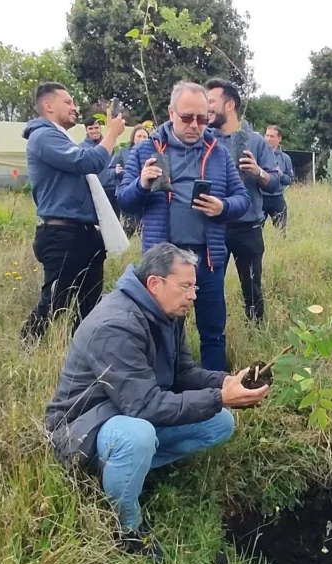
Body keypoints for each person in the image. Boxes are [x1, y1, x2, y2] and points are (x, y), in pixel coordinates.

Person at [45, 242, 270, 562]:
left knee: (220, 422)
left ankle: (127, 472)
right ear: (155, 283)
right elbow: (144, 406)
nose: (193, 295)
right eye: (186, 286)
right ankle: (126, 530)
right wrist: (220, 397)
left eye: (194, 286)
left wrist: (226, 382)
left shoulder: (165, 311)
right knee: (138, 436)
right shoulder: (117, 324)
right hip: (82, 429)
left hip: (125, 412)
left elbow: (183, 373)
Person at [118, 81, 251, 371]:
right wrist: (141, 184)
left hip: (208, 258)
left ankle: (217, 394)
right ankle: (163, 392)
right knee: (161, 332)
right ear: (171, 112)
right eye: (187, 117)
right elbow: (124, 200)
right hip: (163, 262)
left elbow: (242, 199)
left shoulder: (218, 151)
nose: (195, 125)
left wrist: (222, 207)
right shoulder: (145, 150)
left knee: (213, 330)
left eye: (202, 119)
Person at [20, 82, 126, 345]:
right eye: (67, 102)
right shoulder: (43, 136)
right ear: (48, 105)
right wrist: (111, 134)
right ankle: (27, 349)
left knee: (89, 304)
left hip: (85, 234)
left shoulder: (60, 137)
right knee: (55, 302)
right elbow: (87, 162)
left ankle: (82, 356)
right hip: (62, 234)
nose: (74, 107)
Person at [205, 77, 279, 324]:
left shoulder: (255, 141)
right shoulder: (205, 140)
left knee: (252, 289)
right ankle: (216, 333)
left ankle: (256, 332)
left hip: (248, 228)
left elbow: (276, 183)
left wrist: (258, 172)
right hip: (214, 226)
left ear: (230, 105)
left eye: (212, 101)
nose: (207, 107)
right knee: (210, 289)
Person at [80, 116, 123, 220]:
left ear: (100, 128)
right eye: (91, 128)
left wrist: (117, 172)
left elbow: (118, 165)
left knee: (113, 223)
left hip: (112, 190)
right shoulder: (81, 148)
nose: (94, 131)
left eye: (96, 128)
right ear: (86, 130)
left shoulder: (112, 145)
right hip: (93, 191)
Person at [113, 124, 150, 237]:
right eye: (139, 136)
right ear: (133, 137)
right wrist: (116, 172)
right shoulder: (122, 151)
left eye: (145, 137)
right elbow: (110, 170)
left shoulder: (151, 152)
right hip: (127, 194)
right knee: (127, 228)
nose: (142, 139)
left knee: (142, 228)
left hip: (144, 195)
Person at [264, 125, 295, 233]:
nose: (268, 139)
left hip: (277, 198)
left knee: (281, 231)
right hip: (260, 197)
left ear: (279, 138)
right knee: (255, 231)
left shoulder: (285, 158)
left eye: (272, 136)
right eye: (267, 135)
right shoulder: (258, 154)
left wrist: (281, 175)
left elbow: (290, 180)